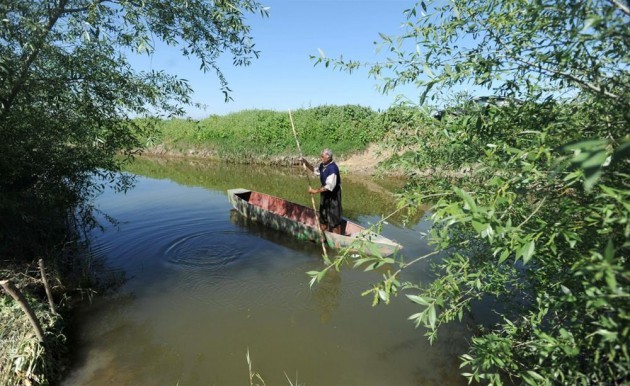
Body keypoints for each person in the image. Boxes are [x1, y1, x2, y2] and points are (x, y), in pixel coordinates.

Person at [300, 149, 343, 234]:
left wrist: (315, 191)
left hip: (333, 196)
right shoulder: (323, 165)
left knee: (334, 219)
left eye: (322, 156)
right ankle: (321, 236)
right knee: (323, 216)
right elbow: (314, 170)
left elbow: (329, 187)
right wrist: (305, 162)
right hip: (324, 194)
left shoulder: (333, 169)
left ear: (328, 157)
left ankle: (337, 241)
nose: (321, 158)